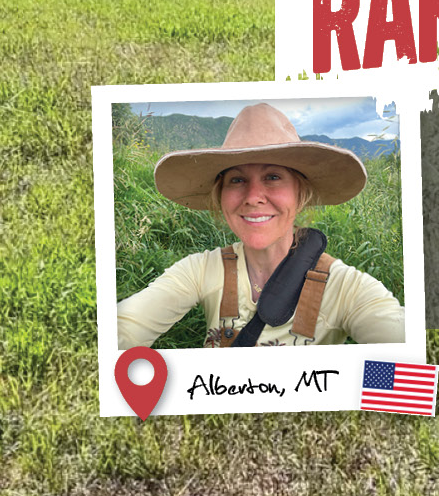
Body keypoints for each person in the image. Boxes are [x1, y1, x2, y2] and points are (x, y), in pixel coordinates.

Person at [116, 102, 405, 348]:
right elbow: (122, 329)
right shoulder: (200, 271)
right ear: (221, 196)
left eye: (273, 177)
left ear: (300, 194)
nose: (253, 197)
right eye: (237, 180)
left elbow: (404, 352)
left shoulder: (346, 288)